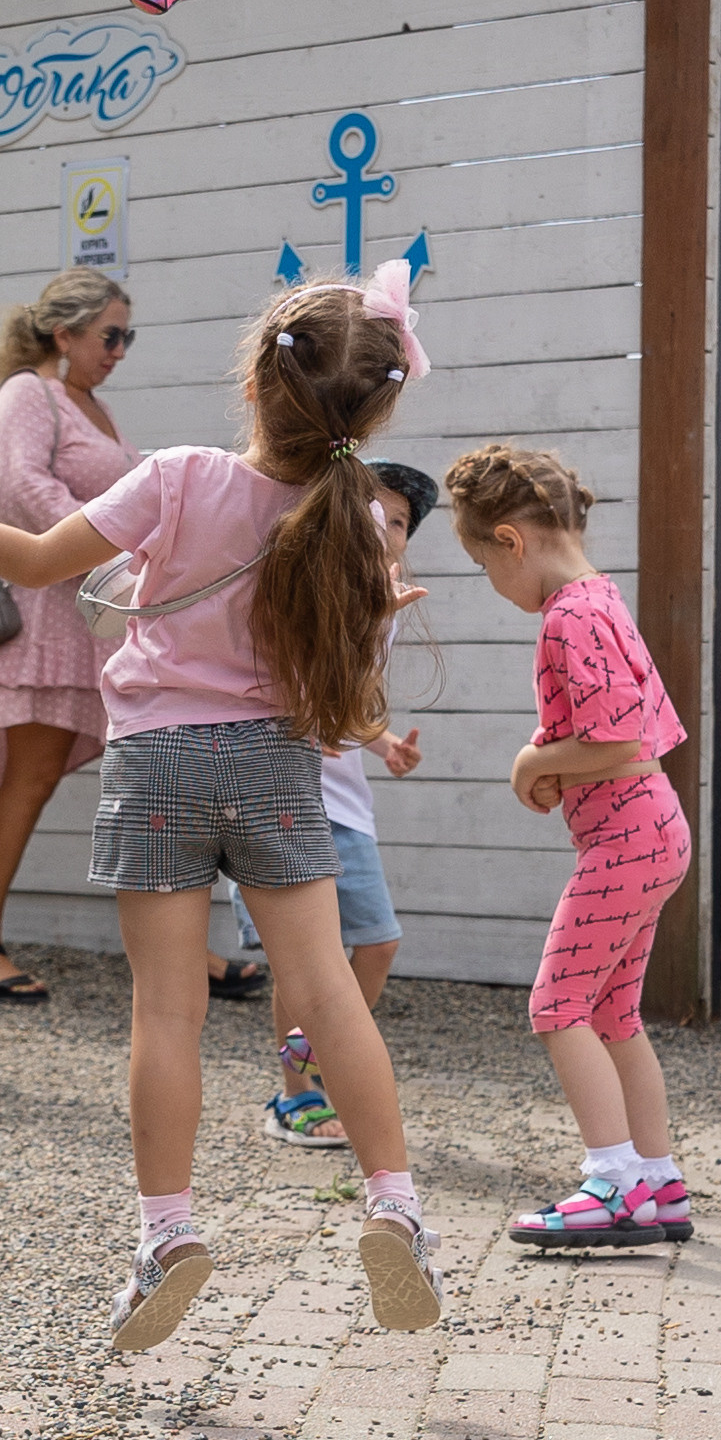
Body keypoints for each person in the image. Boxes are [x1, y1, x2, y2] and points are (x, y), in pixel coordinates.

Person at [0, 263, 444, 1349]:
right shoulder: (360, 519)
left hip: (158, 761)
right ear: (373, 410)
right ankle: (396, 1205)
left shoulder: (177, 476)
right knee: (328, 992)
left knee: (166, 1010)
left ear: (256, 381)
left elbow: (39, 558)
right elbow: (349, 687)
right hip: (276, 763)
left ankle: (168, 1234)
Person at [445, 443, 693, 1252]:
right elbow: (632, 727)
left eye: (483, 564)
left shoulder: (567, 616)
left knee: (556, 1005)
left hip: (625, 836)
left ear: (509, 540)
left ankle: (613, 1183)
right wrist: (558, 759)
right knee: (613, 1012)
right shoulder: (601, 598)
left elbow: (617, 739)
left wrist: (534, 760)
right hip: (652, 829)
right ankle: (655, 1180)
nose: (492, 581)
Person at [0, 268, 140, 1004]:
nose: (119, 351)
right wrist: (111, 549)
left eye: (127, 337)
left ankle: (179, 947)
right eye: (109, 335)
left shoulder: (96, 406)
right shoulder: (29, 394)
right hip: (49, 621)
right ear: (65, 333)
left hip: (96, 619)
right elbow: (19, 487)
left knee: (144, 778)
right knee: (30, 779)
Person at [260, 460, 434, 1145]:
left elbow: (349, 700)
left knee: (378, 940)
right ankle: (295, 1094)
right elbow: (295, 676)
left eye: (399, 521)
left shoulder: (385, 603)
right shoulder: (309, 583)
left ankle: (312, 1044)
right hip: (283, 791)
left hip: (343, 803)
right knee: (303, 955)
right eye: (372, 511)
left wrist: (384, 742)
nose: (384, 526)